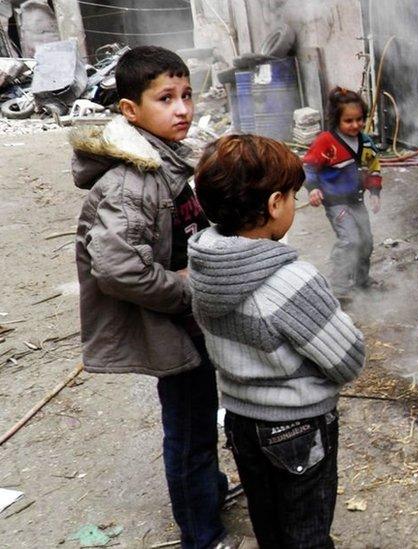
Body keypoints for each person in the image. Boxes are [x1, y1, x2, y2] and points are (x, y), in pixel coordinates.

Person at [71, 46, 230, 547]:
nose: (182, 108)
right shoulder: (132, 181)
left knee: (200, 419)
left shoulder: (163, 161)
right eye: (165, 98)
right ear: (130, 111)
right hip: (170, 325)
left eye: (186, 95)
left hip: (184, 322)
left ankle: (208, 493)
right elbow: (117, 268)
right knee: (188, 432)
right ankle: (200, 534)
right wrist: (183, 292)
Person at [189, 134, 365, 548]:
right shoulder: (290, 280)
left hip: (241, 422)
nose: (295, 204)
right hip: (297, 428)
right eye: (291, 196)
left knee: (269, 526)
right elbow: (348, 358)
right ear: (273, 205)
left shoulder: (204, 265)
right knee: (307, 534)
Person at [303, 87, 383, 296]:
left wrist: (374, 192)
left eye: (360, 119)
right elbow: (309, 166)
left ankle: (362, 281)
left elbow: (373, 167)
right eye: (349, 121)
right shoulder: (325, 142)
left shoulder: (366, 142)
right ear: (336, 120)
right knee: (350, 240)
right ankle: (338, 288)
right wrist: (313, 189)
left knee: (366, 240)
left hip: (356, 200)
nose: (355, 125)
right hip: (336, 202)